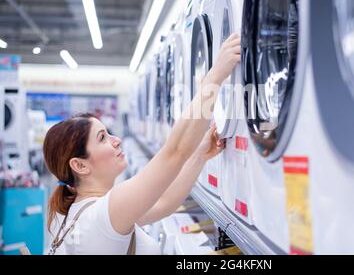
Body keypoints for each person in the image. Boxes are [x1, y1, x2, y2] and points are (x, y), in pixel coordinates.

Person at [44, 34, 241, 254]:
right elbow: (174, 152)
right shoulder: (104, 213)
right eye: (102, 138)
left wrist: (200, 156)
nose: (116, 140)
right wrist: (215, 76)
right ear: (80, 165)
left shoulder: (91, 211)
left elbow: (163, 203)